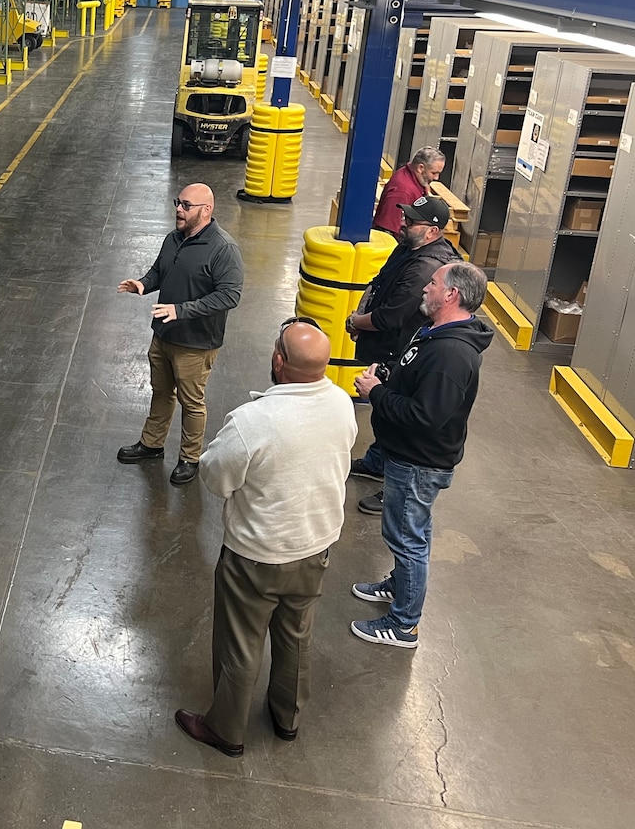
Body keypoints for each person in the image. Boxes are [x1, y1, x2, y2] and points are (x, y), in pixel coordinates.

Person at [175, 317, 355, 758]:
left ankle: (226, 730)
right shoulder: (340, 403)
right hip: (315, 546)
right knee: (296, 634)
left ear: (278, 360)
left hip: (256, 555)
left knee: (241, 643)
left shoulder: (252, 421)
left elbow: (215, 478)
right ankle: (286, 718)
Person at [350, 262, 492, 649]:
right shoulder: (435, 332)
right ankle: (399, 587)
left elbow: (427, 417)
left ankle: (403, 625)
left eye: (432, 284)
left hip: (418, 463)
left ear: (452, 295)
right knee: (412, 534)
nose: (424, 290)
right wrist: (390, 375)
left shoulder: (452, 354)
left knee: (407, 539)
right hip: (409, 458)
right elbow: (416, 379)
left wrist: (376, 393)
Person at [117, 183, 244, 487]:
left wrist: (182, 310)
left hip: (195, 343)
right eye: (179, 202)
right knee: (161, 392)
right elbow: (159, 272)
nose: (179, 209)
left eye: (187, 205)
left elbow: (230, 295)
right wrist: (144, 285)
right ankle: (152, 443)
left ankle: (189, 457)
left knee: (192, 402)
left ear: (206, 210)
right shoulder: (173, 239)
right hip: (163, 335)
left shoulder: (223, 248)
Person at [346, 194, 459, 516]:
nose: (404, 223)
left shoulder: (426, 266)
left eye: (412, 220)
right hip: (385, 344)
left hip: (400, 351)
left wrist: (357, 322)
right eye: (406, 216)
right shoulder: (408, 248)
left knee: (395, 418)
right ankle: (376, 462)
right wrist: (359, 316)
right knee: (382, 414)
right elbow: (379, 283)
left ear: (432, 232)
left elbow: (391, 317)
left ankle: (393, 485)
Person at [373, 147, 445, 239]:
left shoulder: (414, 177)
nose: (436, 178)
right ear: (420, 168)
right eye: (434, 173)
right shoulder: (403, 191)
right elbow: (387, 231)